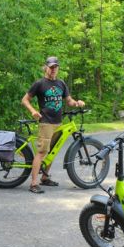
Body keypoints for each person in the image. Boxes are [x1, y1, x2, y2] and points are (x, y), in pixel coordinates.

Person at [21, 56, 85, 194]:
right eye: (51, 67)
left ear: (58, 68)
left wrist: (77, 103)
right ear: (46, 68)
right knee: (42, 152)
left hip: (58, 122)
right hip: (46, 123)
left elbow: (69, 101)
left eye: (55, 67)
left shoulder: (61, 84)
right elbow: (25, 100)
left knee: (51, 152)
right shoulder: (39, 83)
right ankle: (33, 183)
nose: (53, 69)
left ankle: (45, 178)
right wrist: (33, 111)